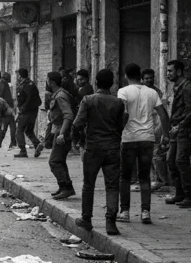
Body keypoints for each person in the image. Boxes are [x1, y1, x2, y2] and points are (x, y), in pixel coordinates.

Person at [71, 69, 125, 235]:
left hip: (93, 147)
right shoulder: (118, 103)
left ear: (95, 82)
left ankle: (86, 219)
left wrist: (76, 141)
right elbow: (119, 126)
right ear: (112, 84)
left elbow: (77, 123)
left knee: (89, 185)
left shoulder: (88, 100)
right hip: (112, 148)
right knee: (112, 185)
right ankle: (111, 222)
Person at [117, 63, 171, 224]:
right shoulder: (152, 92)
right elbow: (163, 114)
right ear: (140, 76)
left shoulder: (123, 92)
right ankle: (145, 212)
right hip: (147, 138)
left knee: (125, 177)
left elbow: (122, 113)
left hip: (128, 138)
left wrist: (117, 131)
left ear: (126, 76)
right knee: (145, 177)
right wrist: (165, 135)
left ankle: (125, 211)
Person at [46, 71, 77, 200]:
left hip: (62, 131)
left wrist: (62, 133)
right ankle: (65, 186)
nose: (46, 83)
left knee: (54, 161)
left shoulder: (60, 96)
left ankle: (66, 188)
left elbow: (68, 115)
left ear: (52, 82)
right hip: (59, 129)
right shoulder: (58, 94)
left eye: (47, 80)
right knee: (60, 160)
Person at [165, 60, 191, 207]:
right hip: (177, 129)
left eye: (170, 71)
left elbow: (190, 112)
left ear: (179, 71)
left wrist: (179, 126)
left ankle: (188, 195)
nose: (168, 74)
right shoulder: (178, 87)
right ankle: (180, 193)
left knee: (181, 161)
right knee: (171, 160)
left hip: (184, 131)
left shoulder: (187, 87)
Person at [143, 68, 170, 190]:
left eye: (151, 78)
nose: (149, 80)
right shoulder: (142, 92)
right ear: (142, 80)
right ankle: (155, 179)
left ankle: (162, 181)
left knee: (156, 154)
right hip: (146, 125)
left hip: (156, 125)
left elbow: (162, 112)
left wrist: (162, 130)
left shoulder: (157, 92)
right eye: (147, 78)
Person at [14, 68, 43, 158]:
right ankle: (37, 144)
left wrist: (22, 109)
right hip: (33, 111)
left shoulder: (25, 85)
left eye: (18, 75)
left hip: (26, 111)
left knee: (19, 130)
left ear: (20, 75)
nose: (17, 77)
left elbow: (28, 98)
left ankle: (23, 150)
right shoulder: (31, 83)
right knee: (29, 130)